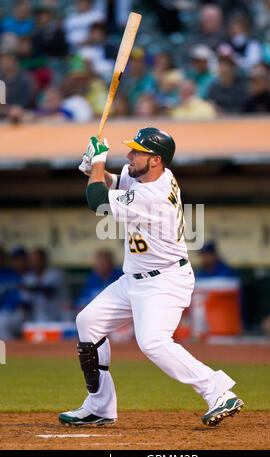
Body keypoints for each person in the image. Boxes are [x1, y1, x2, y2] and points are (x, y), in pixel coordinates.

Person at [59, 127, 244, 427]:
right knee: (88, 322)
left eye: (137, 152)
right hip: (133, 278)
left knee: (153, 342)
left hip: (165, 281)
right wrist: (95, 169)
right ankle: (100, 406)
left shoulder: (152, 195)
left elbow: (98, 201)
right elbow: (114, 183)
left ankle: (218, 391)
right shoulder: (155, 175)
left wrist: (97, 166)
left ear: (156, 159)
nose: (130, 156)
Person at [21, 248, 69, 322]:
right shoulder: (29, 277)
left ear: (44, 259)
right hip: (36, 315)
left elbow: (49, 291)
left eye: (37, 259)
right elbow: (26, 302)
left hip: (58, 314)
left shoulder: (55, 274)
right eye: (32, 260)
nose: (35, 262)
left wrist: (28, 287)